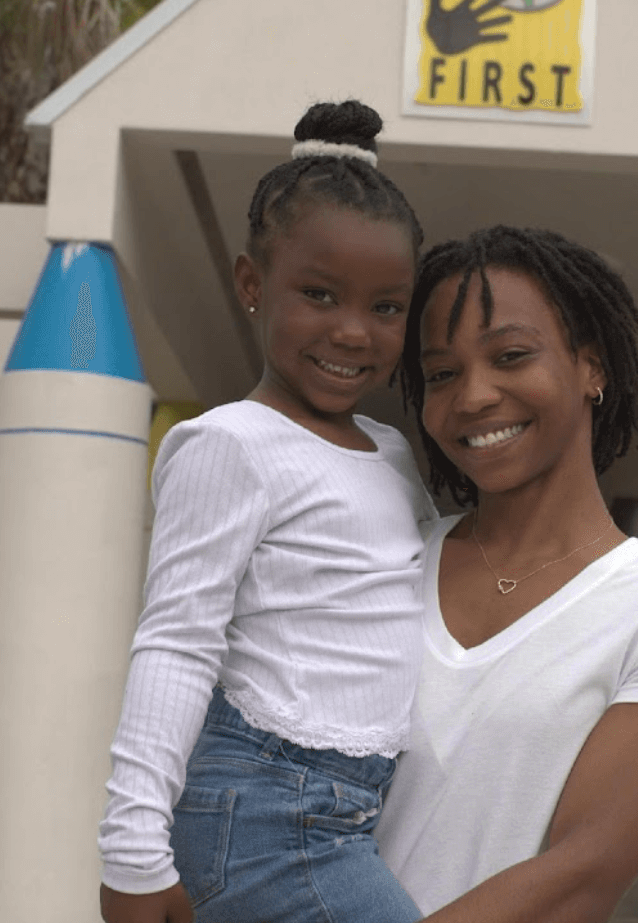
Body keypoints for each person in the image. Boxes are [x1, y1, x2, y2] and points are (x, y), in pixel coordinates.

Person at [97, 101, 433, 923]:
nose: (353, 332)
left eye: (386, 307)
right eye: (319, 295)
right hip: (268, 818)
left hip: (350, 815)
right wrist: (132, 854)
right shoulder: (230, 444)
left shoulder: (390, 451)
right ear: (253, 285)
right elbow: (176, 641)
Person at [380, 225, 638, 923]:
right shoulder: (381, 562)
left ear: (592, 368)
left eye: (512, 355)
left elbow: (578, 876)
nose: (473, 396)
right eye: (441, 373)